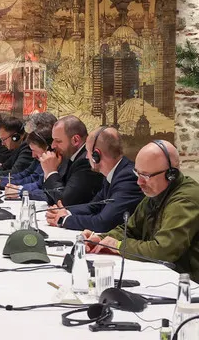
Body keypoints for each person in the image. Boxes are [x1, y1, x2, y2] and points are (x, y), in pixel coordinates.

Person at [85, 140, 199, 281]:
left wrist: (118, 245)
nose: (139, 182)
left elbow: (162, 251)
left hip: (189, 286)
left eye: (145, 175)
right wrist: (100, 239)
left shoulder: (185, 201)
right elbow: (130, 230)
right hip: (164, 277)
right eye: (137, 173)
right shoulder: (157, 193)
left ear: (171, 174)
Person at [46, 127, 143, 232]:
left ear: (96, 155)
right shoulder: (114, 173)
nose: (87, 157)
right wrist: (64, 212)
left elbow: (103, 223)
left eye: (87, 152)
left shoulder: (128, 178)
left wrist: (64, 220)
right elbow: (93, 207)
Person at [39, 115, 104, 206]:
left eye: (58, 141)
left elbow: (65, 202)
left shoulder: (86, 161)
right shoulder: (68, 155)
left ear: (75, 140)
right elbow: (52, 196)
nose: (53, 145)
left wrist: (51, 172)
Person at [1, 125, 53, 200]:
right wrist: (17, 188)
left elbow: (50, 194)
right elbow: (37, 183)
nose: (33, 155)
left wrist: (20, 191)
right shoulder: (42, 159)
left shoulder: (59, 163)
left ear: (47, 147)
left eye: (34, 150)